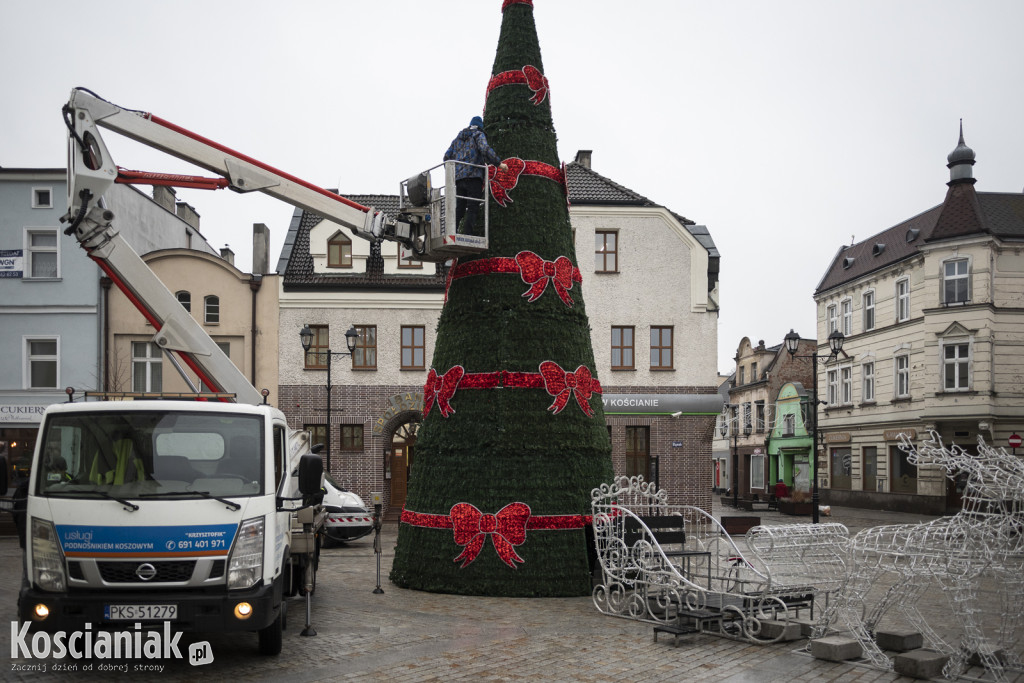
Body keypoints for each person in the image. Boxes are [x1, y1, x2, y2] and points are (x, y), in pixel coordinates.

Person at [443, 116, 508, 235]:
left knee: (460, 208)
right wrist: (499, 163)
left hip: (459, 179)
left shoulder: (457, 139)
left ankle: (452, 232)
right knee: (473, 207)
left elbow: (446, 157)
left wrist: (454, 174)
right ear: (480, 126)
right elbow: (484, 148)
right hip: (474, 176)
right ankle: (468, 235)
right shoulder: (478, 134)